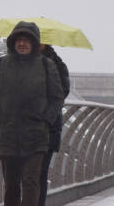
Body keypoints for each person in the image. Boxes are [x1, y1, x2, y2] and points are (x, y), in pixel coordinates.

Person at [0, 21, 64, 206]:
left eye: (27, 40)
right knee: (11, 186)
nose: (22, 43)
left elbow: (57, 97)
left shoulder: (46, 65)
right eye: (19, 39)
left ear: (34, 43)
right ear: (12, 42)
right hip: (9, 135)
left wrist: (45, 120)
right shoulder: (0, 64)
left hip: (36, 135)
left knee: (31, 181)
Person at [38, 45, 71, 206]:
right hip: (23, 127)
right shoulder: (20, 63)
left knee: (40, 174)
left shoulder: (58, 65)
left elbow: (62, 93)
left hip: (48, 126)